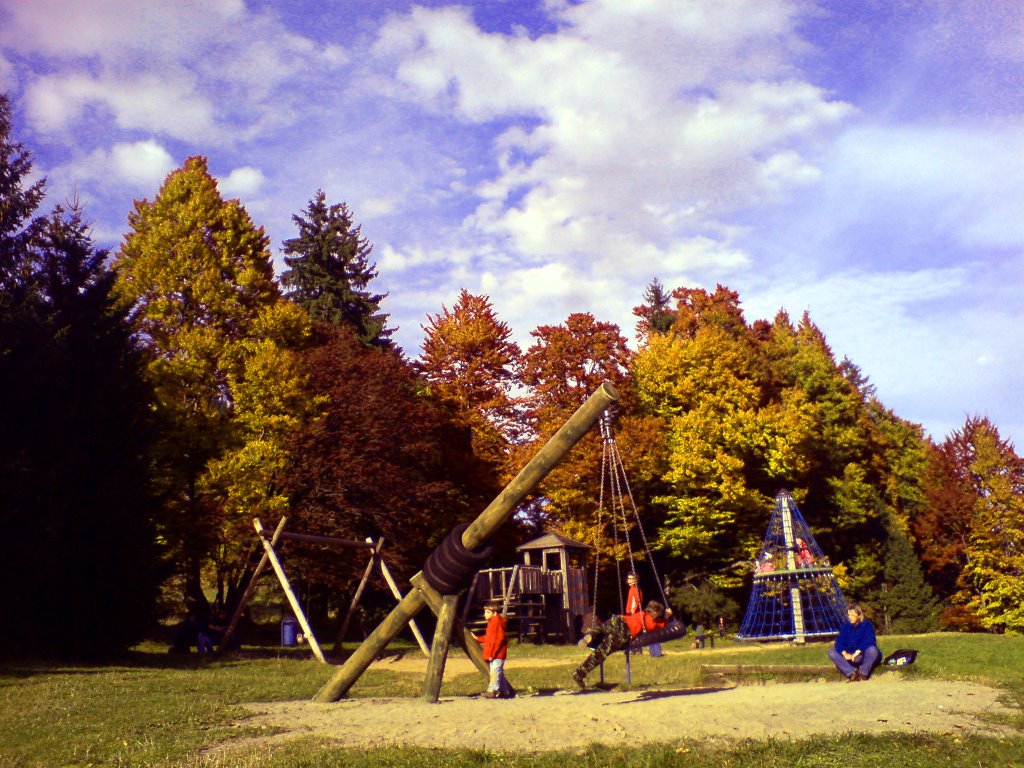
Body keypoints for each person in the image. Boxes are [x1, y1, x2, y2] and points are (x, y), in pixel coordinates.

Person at [572, 601, 672, 688]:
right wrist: (667, 616)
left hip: (618, 619)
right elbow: (661, 626)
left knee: (601, 628)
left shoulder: (641, 613)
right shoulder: (649, 621)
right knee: (600, 652)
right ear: (656, 614)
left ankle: (590, 634)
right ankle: (580, 673)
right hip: (624, 631)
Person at [828, 603, 881, 681]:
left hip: (862, 654)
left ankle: (863, 673)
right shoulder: (845, 627)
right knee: (832, 652)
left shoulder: (867, 625)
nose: (850, 617)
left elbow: (870, 640)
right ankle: (852, 673)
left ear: (859, 615)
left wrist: (857, 652)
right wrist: (844, 653)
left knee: (873, 650)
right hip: (850, 655)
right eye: (849, 615)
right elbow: (838, 642)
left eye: (852, 615)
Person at [475, 601, 513, 699]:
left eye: (488, 612)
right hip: (495, 653)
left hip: (497, 654)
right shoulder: (492, 623)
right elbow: (489, 638)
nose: (485, 614)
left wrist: (492, 653)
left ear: (495, 613)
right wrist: (478, 639)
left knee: (495, 672)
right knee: (497, 671)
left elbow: (498, 640)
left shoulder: (496, 623)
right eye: (485, 612)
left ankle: (492, 691)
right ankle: (505, 691)